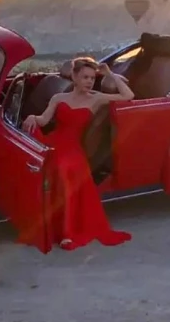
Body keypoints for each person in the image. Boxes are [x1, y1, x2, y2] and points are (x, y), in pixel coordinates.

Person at [21, 56, 134, 251]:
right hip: (54, 142)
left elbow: (128, 95)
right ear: (74, 77)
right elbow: (44, 120)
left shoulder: (96, 98)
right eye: (85, 77)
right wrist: (33, 117)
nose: (89, 81)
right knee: (46, 165)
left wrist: (110, 74)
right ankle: (47, 225)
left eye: (92, 78)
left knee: (65, 169)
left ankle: (67, 233)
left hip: (73, 149)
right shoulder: (59, 98)